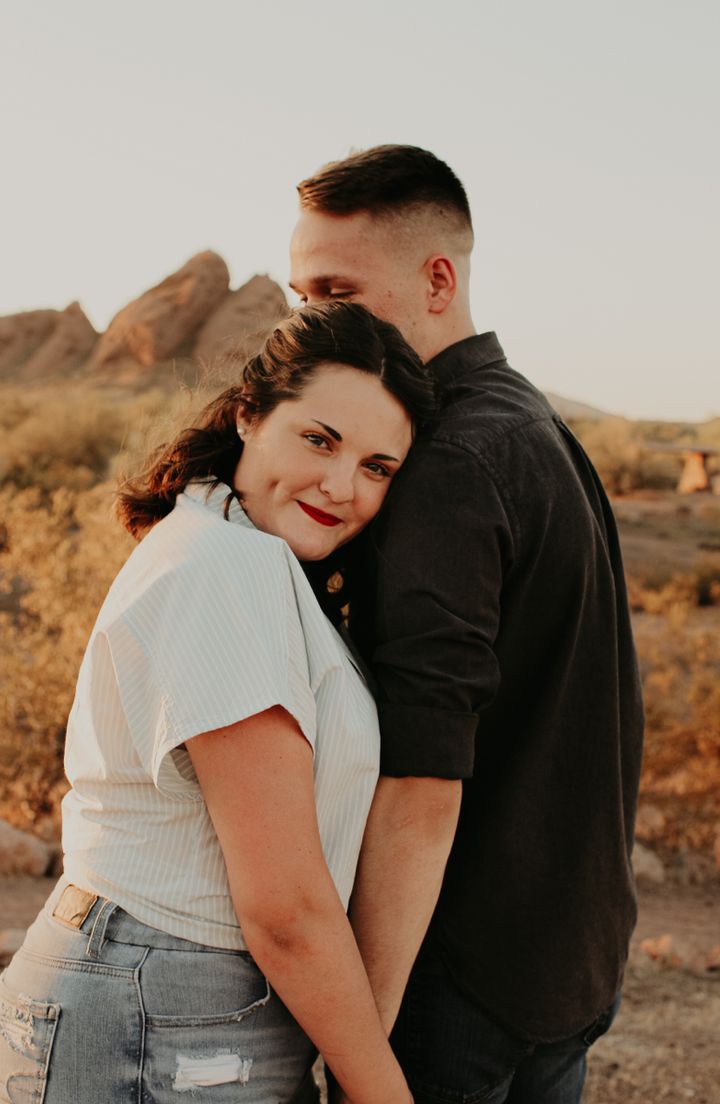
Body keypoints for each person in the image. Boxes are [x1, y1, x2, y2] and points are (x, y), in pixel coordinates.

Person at [0, 301, 437, 1104]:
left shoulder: (226, 542)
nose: (342, 486)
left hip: (166, 998)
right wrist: (381, 1091)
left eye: (378, 467)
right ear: (249, 415)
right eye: (320, 440)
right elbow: (285, 907)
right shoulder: (229, 568)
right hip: (157, 1003)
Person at [289, 145, 644, 1104]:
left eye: (337, 288)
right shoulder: (534, 423)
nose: (314, 318)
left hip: (461, 979)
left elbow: (423, 779)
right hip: (568, 955)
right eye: (300, 294)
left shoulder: (449, 460)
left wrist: (358, 1038)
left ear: (437, 280)